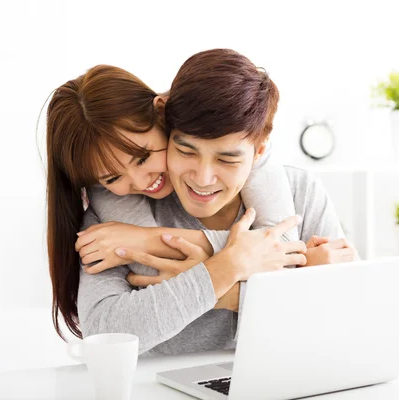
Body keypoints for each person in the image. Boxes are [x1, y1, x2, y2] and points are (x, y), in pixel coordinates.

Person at [71, 49, 358, 355]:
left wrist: (224, 288)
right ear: (167, 130)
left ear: (259, 152)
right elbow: (103, 331)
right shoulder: (112, 217)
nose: (203, 178)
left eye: (227, 159)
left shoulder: (300, 191)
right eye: (186, 152)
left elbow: (346, 322)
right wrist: (231, 273)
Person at [46, 61, 305, 344]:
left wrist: (149, 241)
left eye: (143, 157)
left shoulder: (296, 188)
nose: (142, 182)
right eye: (111, 178)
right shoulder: (106, 221)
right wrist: (228, 267)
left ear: (161, 114)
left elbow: (294, 264)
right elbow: (105, 332)